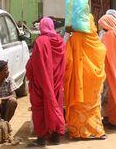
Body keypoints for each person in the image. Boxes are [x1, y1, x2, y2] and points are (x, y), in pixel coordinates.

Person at [64, 14, 107, 140]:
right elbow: (101, 54)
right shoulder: (95, 39)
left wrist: (67, 34)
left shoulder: (75, 38)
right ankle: (96, 130)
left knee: (79, 104)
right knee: (93, 106)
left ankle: (77, 131)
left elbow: (65, 57)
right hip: (93, 81)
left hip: (79, 80)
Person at [26, 17, 66, 147]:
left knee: (39, 109)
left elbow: (36, 63)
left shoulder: (40, 41)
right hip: (56, 81)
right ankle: (55, 135)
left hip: (41, 82)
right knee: (56, 105)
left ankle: (42, 138)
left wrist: (29, 70)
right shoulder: (60, 41)